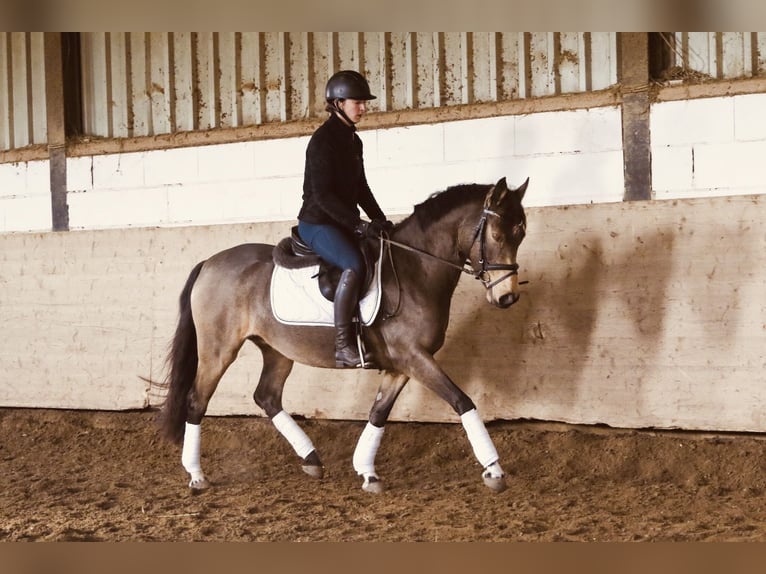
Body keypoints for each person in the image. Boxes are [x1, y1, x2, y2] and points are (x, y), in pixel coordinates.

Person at [297, 70, 392, 369]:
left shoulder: (354, 141)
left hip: (341, 221)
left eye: (364, 103)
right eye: (358, 102)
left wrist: (380, 219)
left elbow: (361, 187)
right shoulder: (322, 141)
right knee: (353, 263)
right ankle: (343, 346)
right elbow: (323, 197)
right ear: (338, 102)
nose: (363, 108)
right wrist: (357, 224)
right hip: (317, 223)